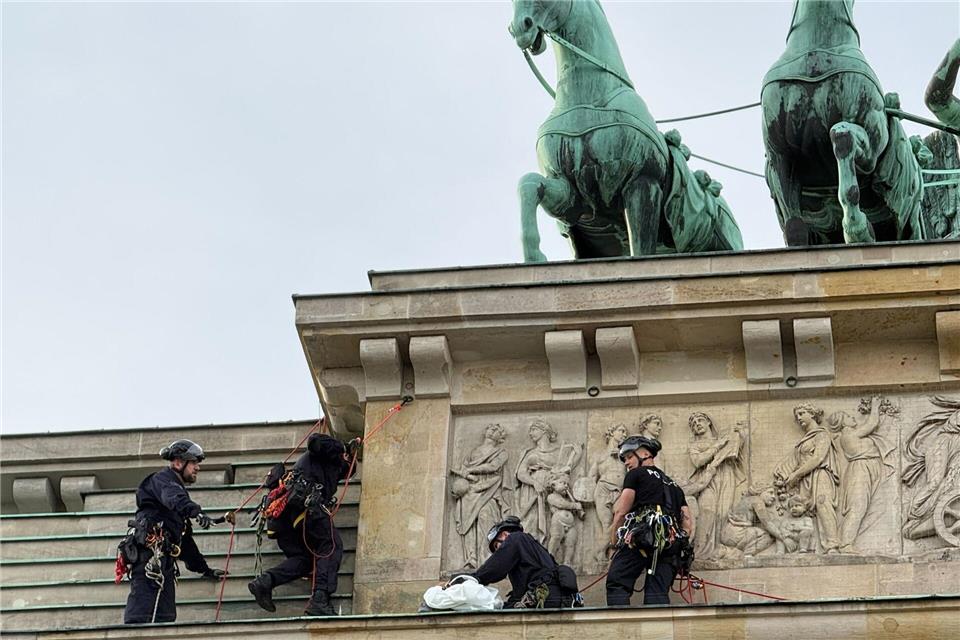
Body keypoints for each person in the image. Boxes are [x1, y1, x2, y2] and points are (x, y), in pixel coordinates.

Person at [248, 433, 352, 616]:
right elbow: (314, 441)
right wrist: (341, 446)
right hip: (304, 506)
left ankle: (265, 582)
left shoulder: (330, 467)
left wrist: (348, 455)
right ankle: (320, 599)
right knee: (330, 546)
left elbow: (346, 469)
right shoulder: (322, 453)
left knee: (304, 561)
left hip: (285, 518)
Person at [123, 439, 225, 624]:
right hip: (150, 557)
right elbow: (173, 497)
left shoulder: (176, 506)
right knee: (141, 610)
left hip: (165, 562)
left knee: (166, 616)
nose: (197, 468)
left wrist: (204, 569)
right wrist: (195, 511)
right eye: (194, 462)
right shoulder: (163, 481)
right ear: (178, 462)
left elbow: (185, 543)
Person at [606, 436, 694, 607]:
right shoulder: (674, 485)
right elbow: (688, 523)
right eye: (624, 459)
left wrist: (614, 543)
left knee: (617, 582)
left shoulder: (635, 475)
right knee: (657, 593)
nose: (626, 462)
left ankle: (620, 629)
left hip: (641, 538)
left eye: (630, 456)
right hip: (670, 545)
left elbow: (620, 511)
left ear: (645, 454)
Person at [467, 516, 577, 609]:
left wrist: (473, 579)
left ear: (505, 535)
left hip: (545, 598)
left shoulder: (516, 539)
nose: (497, 552)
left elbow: (496, 567)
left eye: (497, 546)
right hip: (550, 598)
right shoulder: (533, 549)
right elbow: (521, 591)